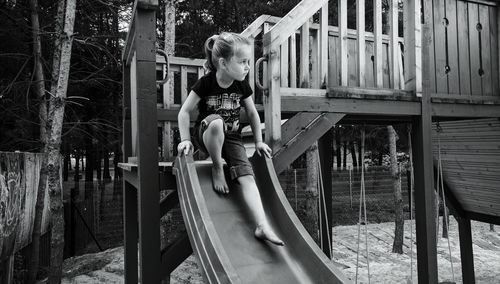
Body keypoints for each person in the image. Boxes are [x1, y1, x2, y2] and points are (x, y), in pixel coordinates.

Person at [177, 32, 284, 246]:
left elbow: (253, 114)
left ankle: (262, 225)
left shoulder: (241, 85)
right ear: (224, 63)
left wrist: (259, 141)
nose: (248, 67)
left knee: (247, 175)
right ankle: (218, 166)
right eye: (243, 62)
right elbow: (184, 112)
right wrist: (186, 139)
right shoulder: (206, 83)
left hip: (232, 137)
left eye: (248, 62)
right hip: (206, 135)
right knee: (216, 123)